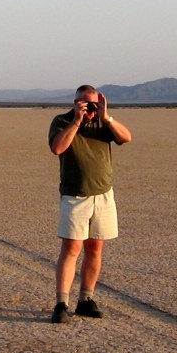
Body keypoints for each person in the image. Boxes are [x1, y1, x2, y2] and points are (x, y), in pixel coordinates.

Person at [47, 85, 132, 323]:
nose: (90, 109)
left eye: (93, 104)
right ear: (75, 103)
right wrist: (76, 121)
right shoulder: (62, 121)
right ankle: (61, 304)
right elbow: (57, 148)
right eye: (85, 104)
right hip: (75, 196)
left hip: (103, 195)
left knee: (95, 248)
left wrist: (106, 117)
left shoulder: (103, 123)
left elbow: (126, 137)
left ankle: (86, 300)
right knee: (72, 249)